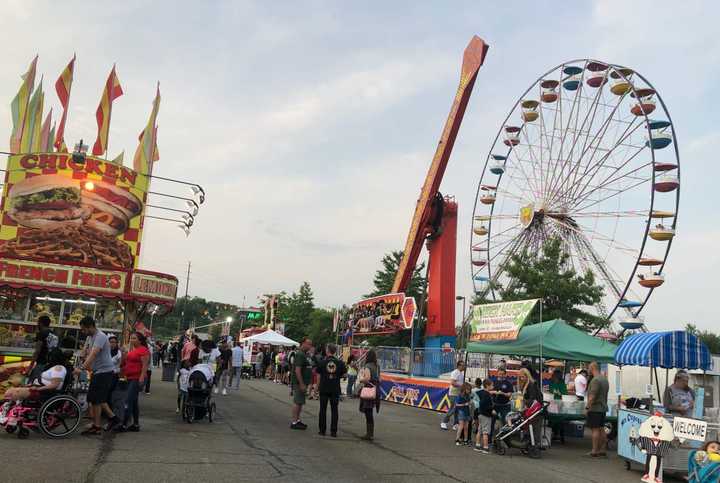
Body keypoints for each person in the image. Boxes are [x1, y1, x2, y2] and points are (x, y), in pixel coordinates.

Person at [74, 316, 121, 435]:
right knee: (94, 399)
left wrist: (81, 368)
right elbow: (85, 352)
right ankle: (103, 423)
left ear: (90, 326)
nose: (83, 332)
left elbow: (94, 354)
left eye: (84, 329)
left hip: (105, 372)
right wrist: (79, 358)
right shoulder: (90, 337)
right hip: (97, 371)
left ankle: (102, 423)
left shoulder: (100, 336)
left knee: (97, 399)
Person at [2, 348, 68, 405]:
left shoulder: (59, 368)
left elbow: (54, 385)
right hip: (38, 388)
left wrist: (38, 388)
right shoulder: (54, 367)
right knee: (10, 391)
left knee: (11, 393)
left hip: (44, 392)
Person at [118, 332, 150, 432]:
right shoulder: (131, 350)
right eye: (131, 338)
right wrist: (123, 354)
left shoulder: (143, 350)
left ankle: (123, 424)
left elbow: (145, 366)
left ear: (140, 340)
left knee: (127, 400)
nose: (132, 340)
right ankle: (136, 424)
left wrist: (141, 378)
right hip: (130, 377)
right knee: (134, 402)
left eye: (134, 338)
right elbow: (124, 363)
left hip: (137, 378)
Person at [317, 343, 347, 437]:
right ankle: (333, 431)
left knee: (322, 409)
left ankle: (322, 430)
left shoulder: (322, 362)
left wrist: (317, 387)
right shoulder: (340, 362)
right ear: (334, 351)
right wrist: (337, 376)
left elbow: (318, 375)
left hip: (324, 388)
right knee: (334, 410)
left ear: (327, 350)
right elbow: (345, 375)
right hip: (335, 388)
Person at [584, 361, 609, 457]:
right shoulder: (604, 379)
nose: (588, 370)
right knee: (601, 429)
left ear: (593, 368)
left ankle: (594, 451)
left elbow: (592, 396)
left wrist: (587, 407)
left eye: (589, 368)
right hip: (603, 408)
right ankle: (602, 449)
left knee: (595, 430)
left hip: (595, 408)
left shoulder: (595, 380)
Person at [26, 314, 59, 382]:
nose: (37, 324)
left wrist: (30, 367)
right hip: (51, 365)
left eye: (38, 322)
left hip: (41, 364)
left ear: (40, 323)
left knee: (32, 383)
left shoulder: (41, 333)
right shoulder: (54, 334)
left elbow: (37, 351)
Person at [290, 337, 313, 430]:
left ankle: (298, 420)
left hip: (303, 382)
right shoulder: (300, 354)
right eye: (308, 344)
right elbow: (297, 370)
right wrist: (301, 383)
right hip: (299, 383)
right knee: (297, 401)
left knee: (300, 402)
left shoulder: (304, 354)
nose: (310, 346)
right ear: (303, 343)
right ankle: (294, 422)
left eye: (310, 344)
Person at [358, 349, 381, 441]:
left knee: (368, 411)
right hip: (375, 389)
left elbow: (367, 378)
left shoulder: (367, 366)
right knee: (370, 411)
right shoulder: (377, 366)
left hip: (368, 389)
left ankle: (369, 434)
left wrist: (361, 379)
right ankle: (370, 433)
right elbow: (380, 378)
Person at [517, 367, 542, 449]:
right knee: (528, 427)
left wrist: (523, 401)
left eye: (522, 377)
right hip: (530, 409)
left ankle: (534, 445)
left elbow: (532, 399)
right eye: (520, 377)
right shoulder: (524, 384)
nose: (521, 379)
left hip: (535, 409)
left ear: (527, 376)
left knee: (534, 428)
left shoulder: (531, 384)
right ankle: (528, 444)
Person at [441, 360, 465, 430]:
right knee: (453, 408)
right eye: (463, 365)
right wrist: (462, 386)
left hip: (459, 393)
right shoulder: (455, 372)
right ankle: (444, 422)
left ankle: (455, 424)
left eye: (464, 365)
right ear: (459, 366)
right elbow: (452, 382)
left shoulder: (461, 373)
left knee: (457, 409)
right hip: (453, 393)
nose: (464, 366)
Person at [491, 367, 514, 437]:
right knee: (492, 420)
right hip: (494, 405)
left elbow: (510, 394)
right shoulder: (493, 382)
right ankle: (490, 436)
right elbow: (488, 391)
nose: (501, 375)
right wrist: (495, 392)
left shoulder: (508, 383)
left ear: (505, 374)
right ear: (497, 373)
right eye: (499, 374)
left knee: (505, 421)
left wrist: (503, 393)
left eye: (502, 374)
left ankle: (505, 437)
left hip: (505, 405)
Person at [474, 379, 494, 454]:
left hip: (480, 414)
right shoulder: (487, 395)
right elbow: (485, 404)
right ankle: (485, 447)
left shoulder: (481, 392)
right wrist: (491, 409)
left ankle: (477, 445)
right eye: (492, 385)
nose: (493, 386)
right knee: (486, 432)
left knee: (479, 430)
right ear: (487, 386)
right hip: (486, 415)